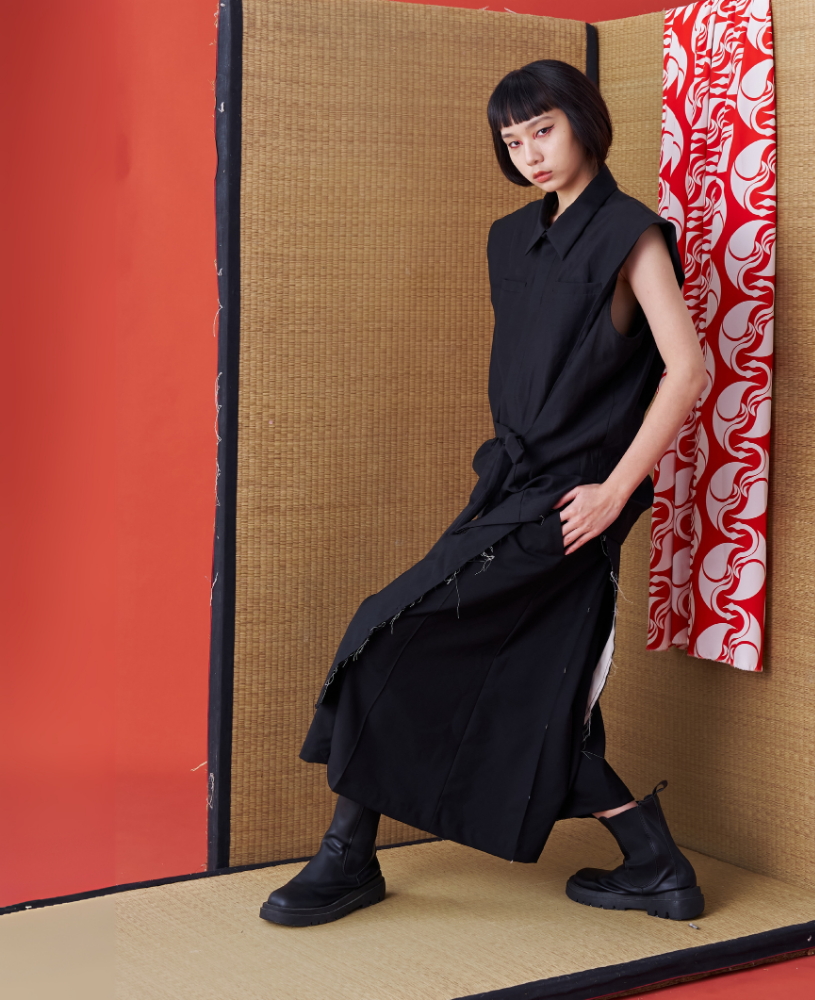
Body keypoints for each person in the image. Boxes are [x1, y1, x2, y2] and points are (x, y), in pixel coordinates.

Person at [259, 60, 709, 929]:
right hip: (510, 485)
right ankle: (655, 862)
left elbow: (686, 370)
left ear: (584, 122)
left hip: (572, 504)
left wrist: (615, 492)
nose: (529, 153)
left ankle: (349, 856)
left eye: (543, 130)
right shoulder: (509, 239)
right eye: (512, 140)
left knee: (390, 635)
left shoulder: (631, 233)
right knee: (530, 687)